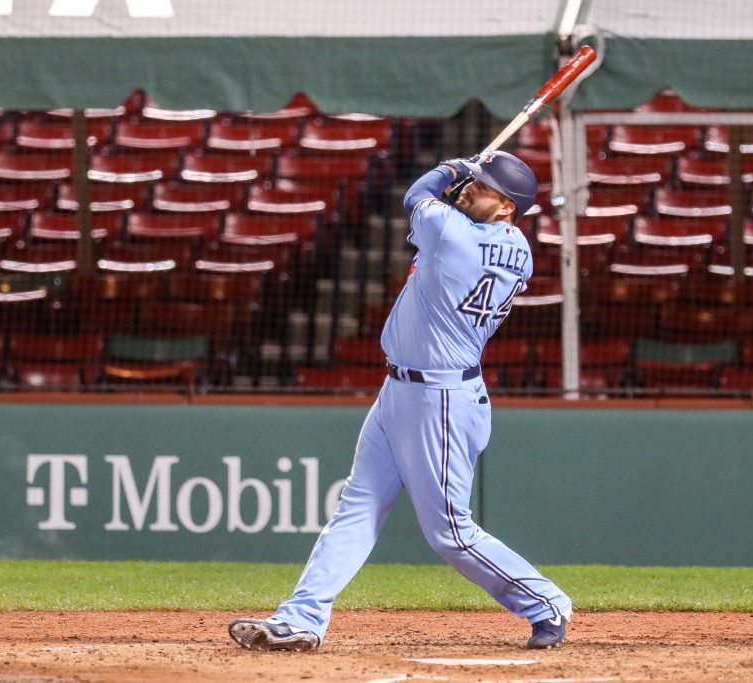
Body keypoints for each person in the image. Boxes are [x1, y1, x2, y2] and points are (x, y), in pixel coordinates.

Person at [228, 151, 572, 652]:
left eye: (482, 188)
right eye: (473, 183)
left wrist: (456, 165)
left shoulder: (453, 235)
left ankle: (544, 602)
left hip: (441, 399)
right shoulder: (515, 243)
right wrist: (475, 175)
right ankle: (302, 618)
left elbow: (417, 195)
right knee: (357, 507)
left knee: (450, 531)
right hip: (402, 391)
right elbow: (445, 211)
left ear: (507, 207)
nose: (469, 190)